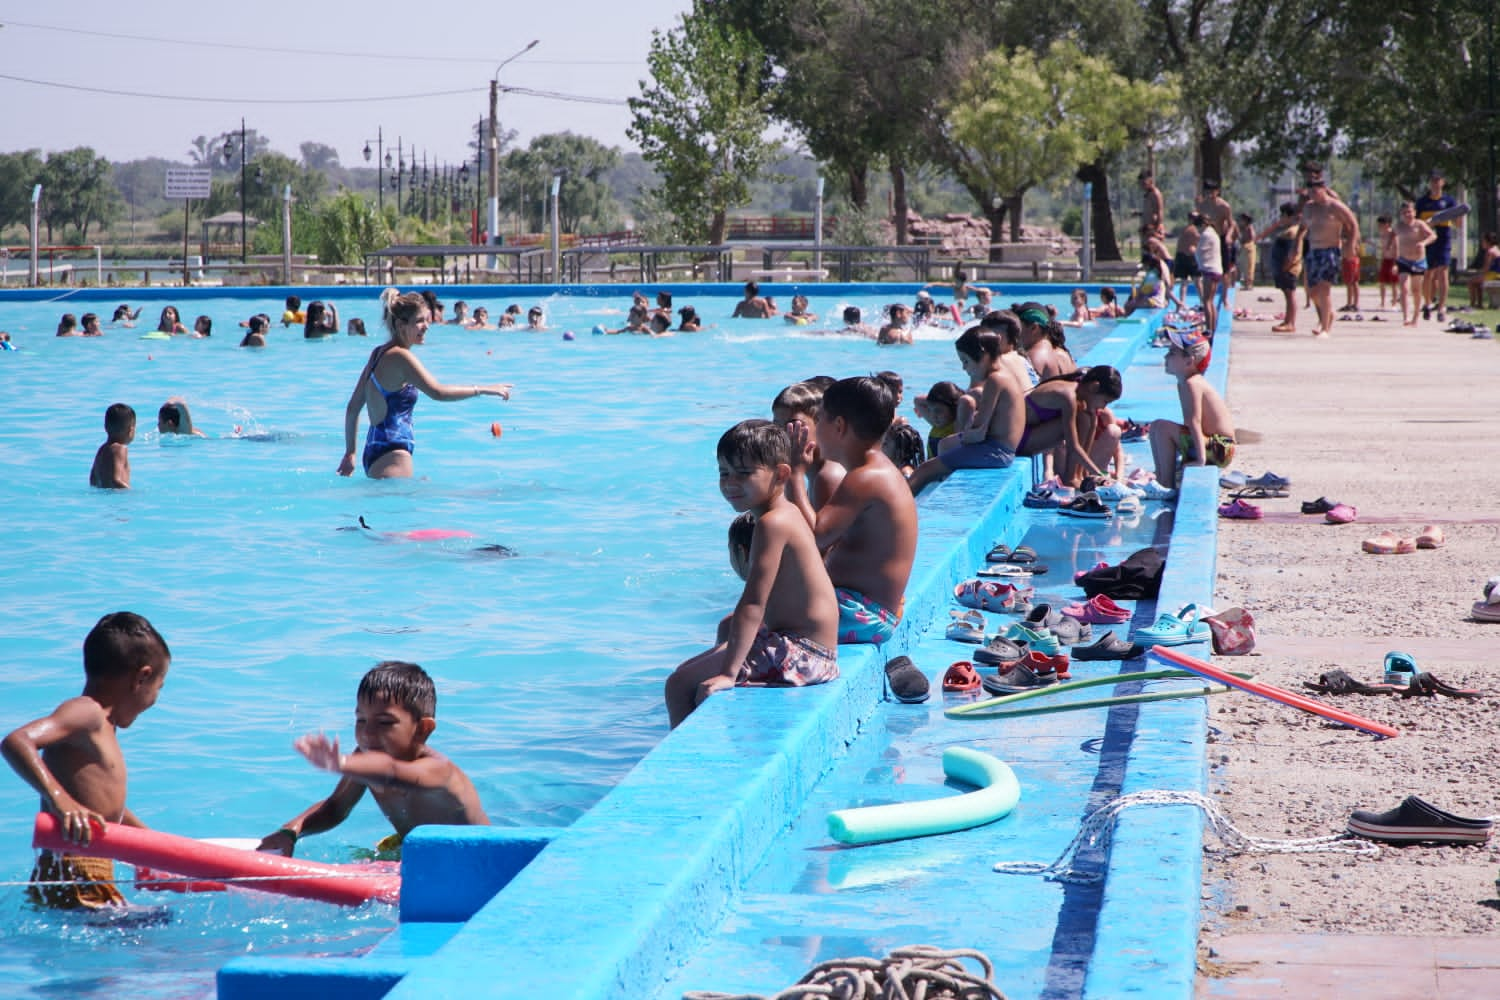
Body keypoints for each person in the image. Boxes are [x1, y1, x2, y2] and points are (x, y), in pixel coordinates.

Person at [663, 420, 839, 728]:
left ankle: (685, 766)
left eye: (744, 474)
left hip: (804, 655)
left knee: (679, 685)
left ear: (781, 474)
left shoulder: (772, 524)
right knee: (724, 632)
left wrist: (728, 675)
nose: (731, 482)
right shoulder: (787, 513)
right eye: (724, 473)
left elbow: (754, 602)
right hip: (815, 649)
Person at [2, 612, 171, 910]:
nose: (155, 699)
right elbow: (16, 741)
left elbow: (105, 809)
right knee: (158, 934)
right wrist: (59, 800)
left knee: (150, 925)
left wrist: (153, 843)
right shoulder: (86, 712)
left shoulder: (104, 725)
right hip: (77, 872)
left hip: (82, 874)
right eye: (159, 686)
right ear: (142, 677)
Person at [257, 661, 489, 857]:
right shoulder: (365, 760)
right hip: (418, 849)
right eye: (361, 720)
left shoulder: (438, 772)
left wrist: (341, 763)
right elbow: (336, 807)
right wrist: (291, 831)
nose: (368, 733)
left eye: (385, 723)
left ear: (422, 729)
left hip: (477, 856)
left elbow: (391, 772)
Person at [785, 376, 918, 646]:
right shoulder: (876, 470)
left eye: (819, 419)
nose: (816, 427)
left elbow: (816, 536)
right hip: (865, 609)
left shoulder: (865, 477)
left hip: (861, 614)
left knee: (740, 625)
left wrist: (795, 474)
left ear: (839, 426)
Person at [339, 288, 513, 480]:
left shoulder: (378, 353)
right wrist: (483, 389)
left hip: (375, 450)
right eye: (419, 321)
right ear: (400, 325)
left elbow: (353, 407)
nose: (426, 327)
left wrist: (350, 453)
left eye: (427, 320)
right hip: (394, 452)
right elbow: (438, 392)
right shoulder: (401, 356)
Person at [906, 325, 1023, 496]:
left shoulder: (995, 380)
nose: (964, 368)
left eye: (966, 361)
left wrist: (966, 432)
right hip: (999, 449)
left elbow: (978, 433)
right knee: (945, 444)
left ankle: (894, 513)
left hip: (996, 452)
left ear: (983, 355)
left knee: (925, 470)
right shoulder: (1003, 375)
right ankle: (945, 490)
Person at [1148, 330, 1235, 490]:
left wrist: (1200, 460)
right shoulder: (1185, 382)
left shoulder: (1192, 384)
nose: (1166, 357)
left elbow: (1194, 421)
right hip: (1214, 445)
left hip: (1221, 448)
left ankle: (1166, 485)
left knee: (1161, 428)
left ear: (1189, 361)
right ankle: (1162, 478)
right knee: (1155, 427)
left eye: (1172, 352)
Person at [1016, 366, 1124, 487]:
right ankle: (1071, 478)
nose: (1104, 407)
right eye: (1105, 401)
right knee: (1081, 419)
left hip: (1034, 433)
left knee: (1085, 417)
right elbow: (1073, 446)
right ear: (1094, 387)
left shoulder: (1081, 390)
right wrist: (1100, 475)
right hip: (1020, 440)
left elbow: (1090, 426)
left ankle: (1079, 476)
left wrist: (1087, 473)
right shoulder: (1068, 396)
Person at [1301, 178, 1360, 336]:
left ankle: (1325, 329)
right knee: (1312, 292)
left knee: (1324, 289)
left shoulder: (1335, 206)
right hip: (1313, 251)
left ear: (1323, 189)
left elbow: (1353, 224)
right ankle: (1329, 314)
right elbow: (1303, 227)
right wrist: (1295, 247)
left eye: (1316, 190)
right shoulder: (1309, 207)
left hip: (1330, 251)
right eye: (1310, 191)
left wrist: (1351, 245)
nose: (1313, 194)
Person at [772, 381, 844, 511]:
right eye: (777, 425)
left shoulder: (829, 476)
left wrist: (794, 473)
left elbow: (813, 530)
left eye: (794, 425)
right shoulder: (816, 471)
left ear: (822, 425)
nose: (783, 432)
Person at [1415, 169, 1457, 323]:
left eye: (1438, 180)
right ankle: (1427, 303)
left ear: (1443, 182)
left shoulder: (1449, 201)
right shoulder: (1422, 202)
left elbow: (1457, 221)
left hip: (1444, 239)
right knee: (1428, 274)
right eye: (1433, 180)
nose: (1435, 183)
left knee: (1443, 273)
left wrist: (1455, 219)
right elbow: (1416, 222)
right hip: (1428, 240)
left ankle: (1441, 307)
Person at [1392, 201, 1437, 327]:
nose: (1407, 214)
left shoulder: (1420, 224)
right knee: (1404, 289)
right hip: (1403, 261)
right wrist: (1394, 262)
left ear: (1414, 212)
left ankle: (1415, 317)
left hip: (1418, 261)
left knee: (1417, 290)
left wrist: (1423, 243)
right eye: (1404, 212)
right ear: (1401, 214)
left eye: (1410, 212)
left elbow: (1433, 236)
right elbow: (1393, 241)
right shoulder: (1398, 226)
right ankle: (1406, 317)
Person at [1264, 203, 1306, 333]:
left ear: (1289, 216)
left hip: (1288, 268)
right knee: (1287, 295)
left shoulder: (1292, 232)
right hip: (1284, 268)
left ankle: (1291, 323)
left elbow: (1292, 251)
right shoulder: (1289, 230)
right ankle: (1287, 320)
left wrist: (1286, 266)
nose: (1281, 218)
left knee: (1290, 295)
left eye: (1282, 215)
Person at [1196, 179, 1236, 309]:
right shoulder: (1202, 205)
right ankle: (1207, 298)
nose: (1210, 194)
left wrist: (1229, 236)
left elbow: (1232, 224)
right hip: (1209, 239)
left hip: (1221, 237)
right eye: (1207, 191)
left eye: (1212, 191)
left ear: (1217, 191)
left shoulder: (1224, 206)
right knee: (1207, 269)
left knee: (1225, 270)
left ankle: (1225, 298)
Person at [1191, 211, 1223, 336]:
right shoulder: (1213, 233)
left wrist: (1193, 250)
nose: (1198, 230)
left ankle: (1209, 330)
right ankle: (1213, 328)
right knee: (1211, 300)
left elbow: (1199, 251)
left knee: (1206, 301)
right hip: (1216, 270)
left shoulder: (1207, 234)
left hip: (1209, 270)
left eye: (1198, 226)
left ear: (1203, 224)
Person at [914, 380, 964, 459]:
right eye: (930, 410)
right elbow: (917, 400)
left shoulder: (957, 425)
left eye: (938, 411)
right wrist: (935, 399)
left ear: (953, 408)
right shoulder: (936, 423)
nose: (933, 415)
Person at [90, 403, 134, 489]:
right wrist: (130, 492)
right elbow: (115, 480)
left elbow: (92, 479)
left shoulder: (102, 449)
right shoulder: (120, 449)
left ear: (105, 427)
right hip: (118, 498)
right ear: (131, 430)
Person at [1172, 218, 1201, 306]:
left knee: (1184, 282)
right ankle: (1203, 301)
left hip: (1182, 256)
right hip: (1188, 257)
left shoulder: (1185, 229)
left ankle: (1182, 303)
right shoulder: (1194, 230)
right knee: (1197, 281)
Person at [1466, 232, 1500, 308]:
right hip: (1496, 275)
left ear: (1489, 242)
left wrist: (1478, 272)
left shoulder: (1490, 252)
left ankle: (1472, 304)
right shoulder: (1496, 249)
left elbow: (1486, 268)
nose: (1482, 243)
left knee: (1470, 281)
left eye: (1483, 241)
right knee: (1477, 282)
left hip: (1493, 276)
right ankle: (1479, 304)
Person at [1376, 215, 1398, 310]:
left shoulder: (1392, 234)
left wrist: (1396, 264)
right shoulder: (1382, 234)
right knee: (1382, 282)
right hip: (1385, 259)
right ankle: (1382, 302)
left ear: (1387, 224)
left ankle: (1394, 303)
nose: (1380, 226)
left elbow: (1397, 248)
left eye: (1381, 224)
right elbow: (1383, 248)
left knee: (1393, 283)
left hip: (1393, 260)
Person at [1139, 171, 1165, 237]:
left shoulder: (1155, 194)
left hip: (1153, 230)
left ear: (1150, 181)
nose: (1142, 186)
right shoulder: (1147, 194)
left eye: (1144, 183)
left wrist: (1156, 230)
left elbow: (1160, 211)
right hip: (1147, 230)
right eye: (1140, 184)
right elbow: (1149, 212)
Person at [1236, 213, 1258, 291]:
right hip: (1244, 247)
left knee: (1249, 266)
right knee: (1244, 267)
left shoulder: (1249, 227)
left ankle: (1249, 284)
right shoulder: (1242, 229)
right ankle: (1246, 283)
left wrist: (1244, 240)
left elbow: (1252, 236)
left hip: (1249, 247)